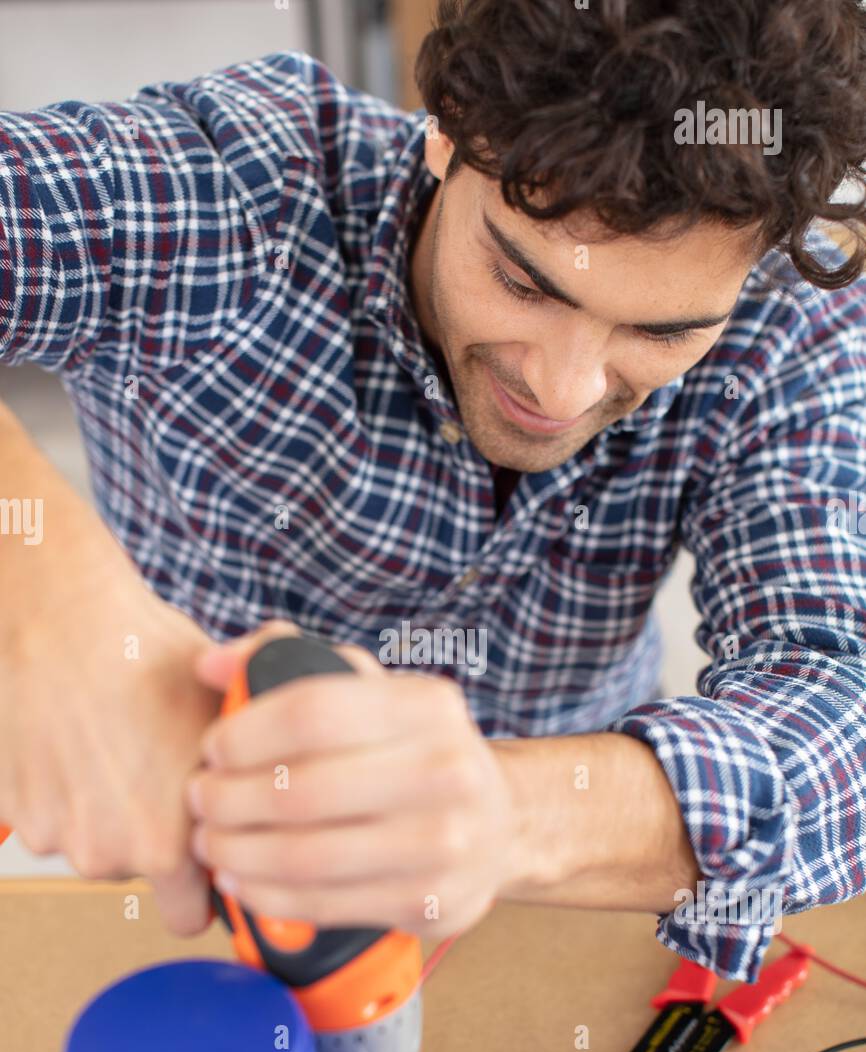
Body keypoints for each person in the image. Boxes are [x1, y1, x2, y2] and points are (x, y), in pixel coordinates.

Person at [1, 0, 864, 980]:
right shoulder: (227, 190)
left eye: (661, 332)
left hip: (554, 889)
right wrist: (42, 591)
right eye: (525, 282)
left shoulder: (792, 326)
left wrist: (506, 815)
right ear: (447, 134)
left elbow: (840, 711)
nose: (561, 387)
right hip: (188, 883)